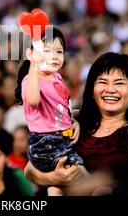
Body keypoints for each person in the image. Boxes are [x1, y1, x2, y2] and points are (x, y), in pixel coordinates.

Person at [24, 36, 128, 195]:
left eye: (119, 83)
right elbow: (29, 169)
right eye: (103, 82)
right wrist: (54, 178)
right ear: (92, 90)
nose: (110, 89)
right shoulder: (74, 121)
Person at [15, 25, 82, 195]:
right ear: (31, 54)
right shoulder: (31, 80)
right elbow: (32, 99)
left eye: (59, 52)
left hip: (62, 138)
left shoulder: (57, 77)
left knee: (57, 188)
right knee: (85, 179)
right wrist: (34, 66)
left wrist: (74, 122)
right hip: (47, 143)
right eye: (46, 51)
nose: (54, 56)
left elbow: (60, 111)